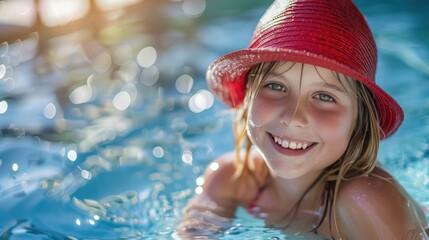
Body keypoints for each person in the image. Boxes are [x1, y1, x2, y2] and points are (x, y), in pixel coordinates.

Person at [175, 0, 429, 239]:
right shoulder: (229, 180)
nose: (293, 117)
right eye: (275, 86)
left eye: (324, 96)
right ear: (248, 95)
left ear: (359, 122)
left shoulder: (365, 200)